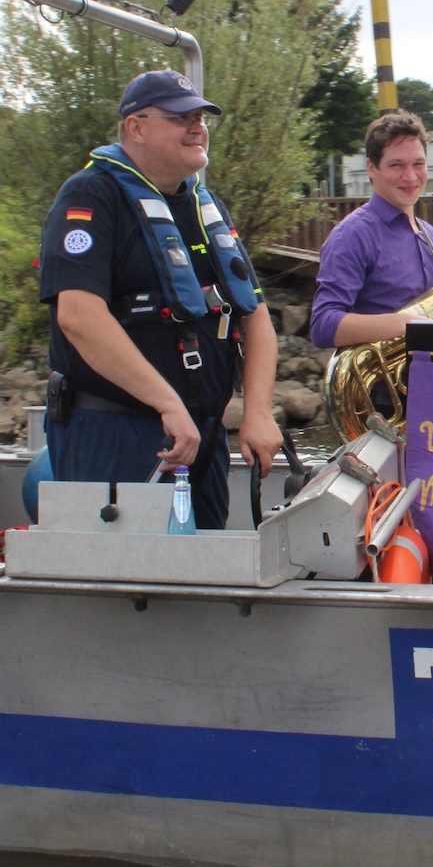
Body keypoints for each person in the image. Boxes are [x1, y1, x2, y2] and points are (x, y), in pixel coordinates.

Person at [39, 68, 284, 529]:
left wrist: (256, 412)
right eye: (179, 118)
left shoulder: (203, 205)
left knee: (204, 562)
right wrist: (168, 404)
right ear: (136, 127)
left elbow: (256, 317)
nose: (196, 128)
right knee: (124, 567)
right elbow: (78, 315)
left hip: (200, 435)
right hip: (116, 431)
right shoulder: (91, 196)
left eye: (200, 118)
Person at [310, 110, 433, 350]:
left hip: (428, 372)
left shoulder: (428, 233)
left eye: (418, 164)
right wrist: (403, 325)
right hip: (382, 375)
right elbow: (322, 325)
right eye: (396, 165)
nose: (410, 176)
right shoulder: (352, 235)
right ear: (371, 167)